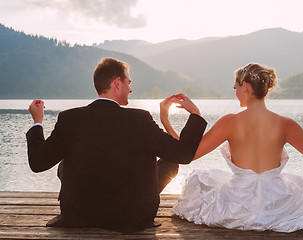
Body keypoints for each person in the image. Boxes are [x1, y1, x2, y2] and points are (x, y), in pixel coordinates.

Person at [160, 63, 303, 234]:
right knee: (296, 186)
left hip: (238, 200)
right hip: (276, 202)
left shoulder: (229, 122)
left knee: (201, 180)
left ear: (246, 86)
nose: (236, 93)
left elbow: (188, 155)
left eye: (236, 88)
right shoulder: (286, 125)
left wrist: (166, 121)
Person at [26, 57, 207, 231]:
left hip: (79, 215)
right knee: (169, 160)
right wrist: (195, 114)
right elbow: (182, 154)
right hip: (131, 216)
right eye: (129, 82)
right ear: (117, 83)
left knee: (65, 163)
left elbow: (37, 163)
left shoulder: (69, 118)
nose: (130, 89)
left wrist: (37, 121)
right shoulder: (140, 120)